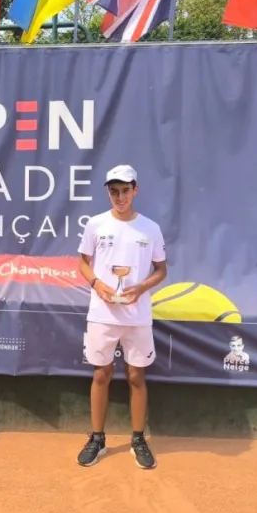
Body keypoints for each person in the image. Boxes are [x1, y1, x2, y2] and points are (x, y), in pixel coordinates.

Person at [76, 164, 167, 469]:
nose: (120, 196)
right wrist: (97, 284)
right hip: (102, 313)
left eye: (125, 190)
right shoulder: (95, 224)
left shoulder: (150, 228)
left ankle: (138, 439)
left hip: (137, 315)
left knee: (136, 376)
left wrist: (141, 288)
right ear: (108, 192)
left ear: (135, 190)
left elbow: (161, 270)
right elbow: (83, 263)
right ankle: (97, 439)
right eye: (114, 191)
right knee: (101, 374)